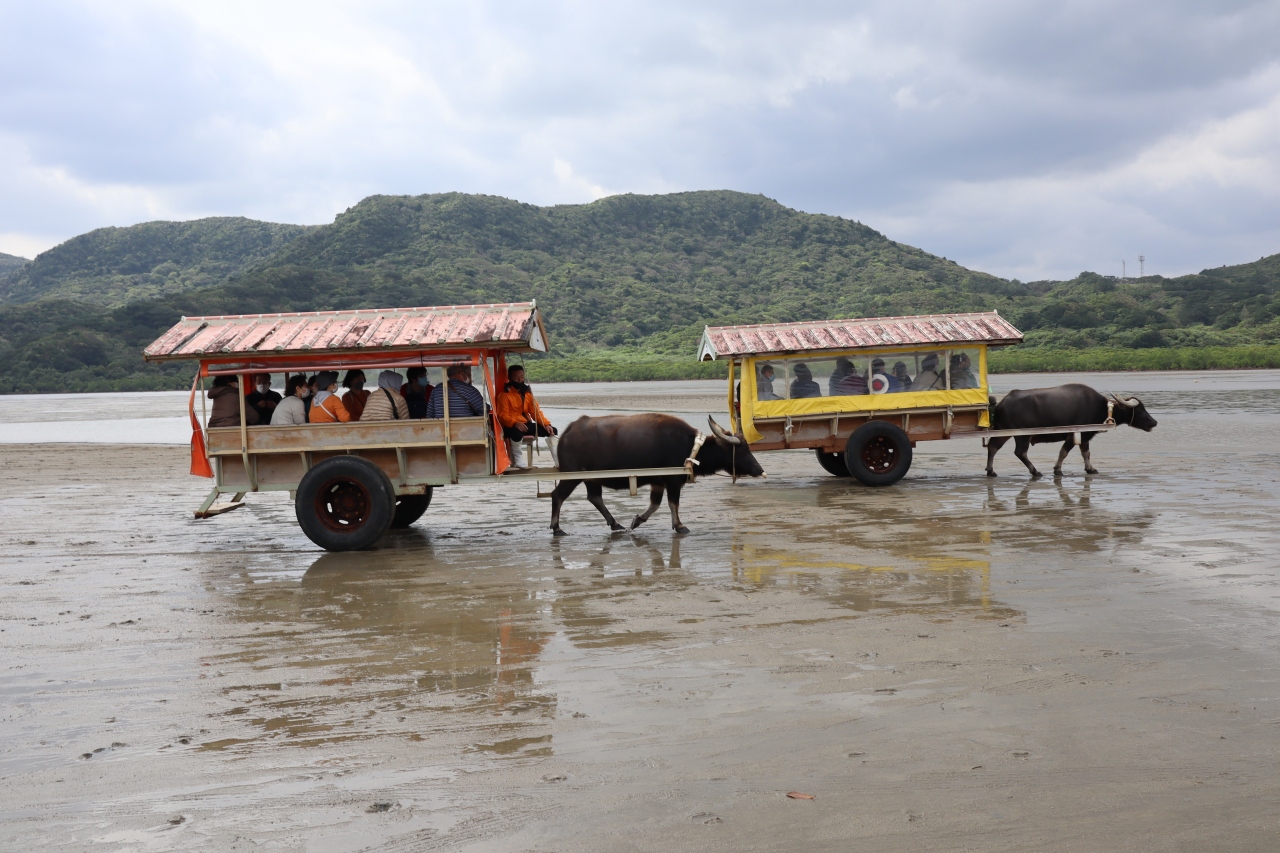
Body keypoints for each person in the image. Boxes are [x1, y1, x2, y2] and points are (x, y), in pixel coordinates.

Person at [496, 364, 558, 468]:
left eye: (522, 377)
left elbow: (536, 412)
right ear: (509, 378)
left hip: (525, 425)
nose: (520, 380)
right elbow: (502, 416)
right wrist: (515, 423)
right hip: (510, 426)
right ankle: (518, 459)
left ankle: (557, 459)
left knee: (552, 430)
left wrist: (546, 424)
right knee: (516, 433)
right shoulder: (504, 396)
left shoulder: (527, 394)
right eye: (516, 378)